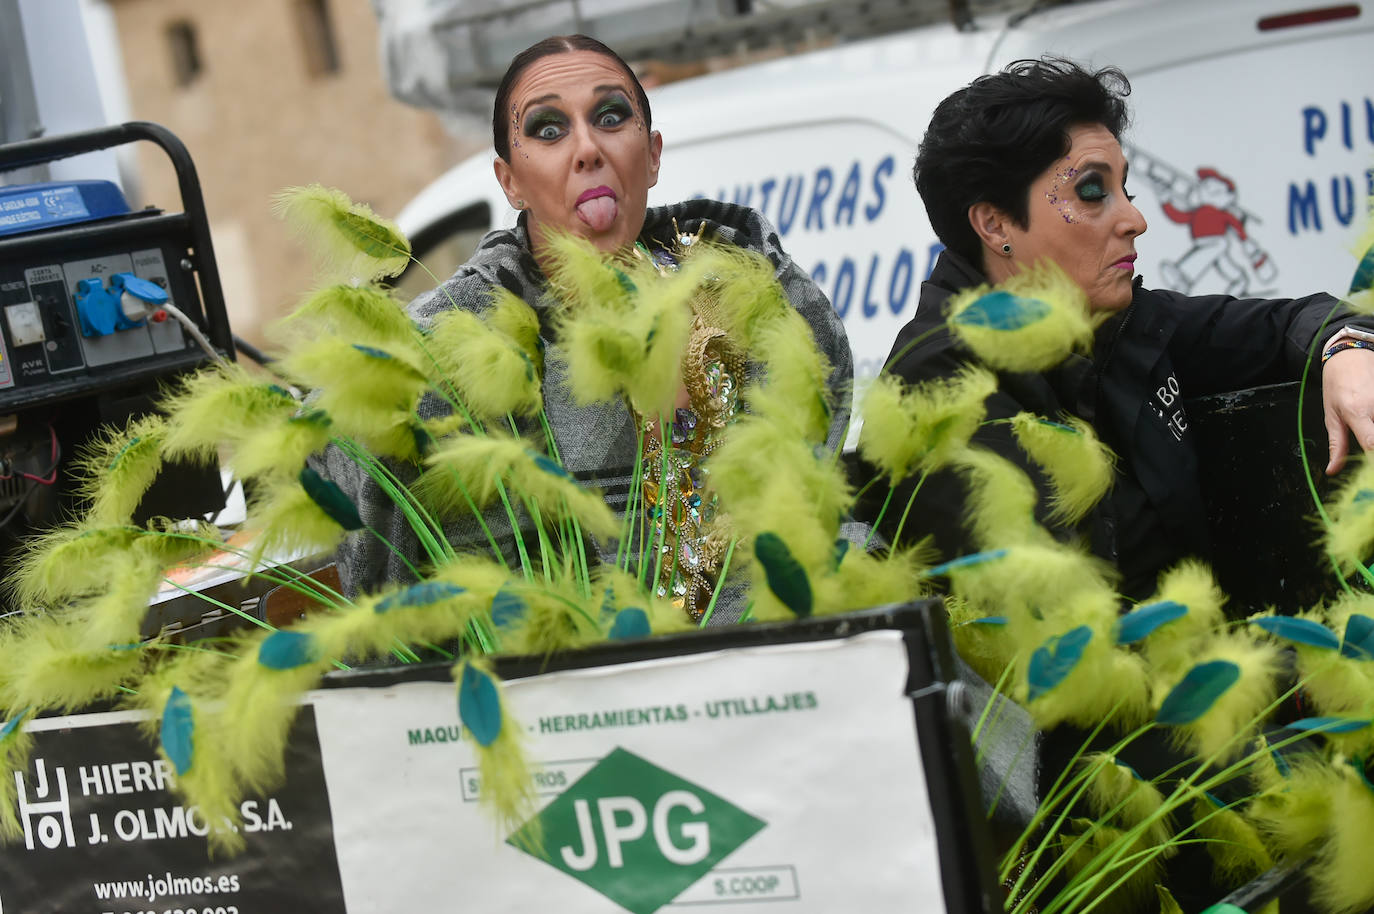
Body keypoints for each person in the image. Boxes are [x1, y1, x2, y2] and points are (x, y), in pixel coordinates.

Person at [326, 35, 852, 619]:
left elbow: (806, 507)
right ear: (510, 181)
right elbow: (361, 511)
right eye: (548, 129)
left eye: (610, 116)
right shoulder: (444, 344)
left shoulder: (742, 292)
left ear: (651, 155)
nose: (587, 148)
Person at [859, 57, 1374, 601]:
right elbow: (1069, 639)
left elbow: (1287, 322)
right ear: (996, 224)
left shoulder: (1121, 322)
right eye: (1091, 192)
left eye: (1125, 188)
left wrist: (1348, 348)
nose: (1134, 219)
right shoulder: (941, 384)